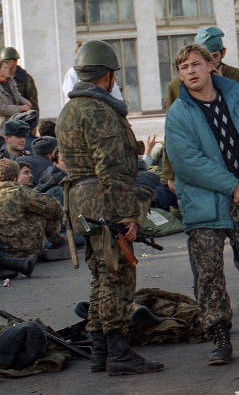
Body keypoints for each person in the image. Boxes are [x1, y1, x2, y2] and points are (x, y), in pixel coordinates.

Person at [164, 43, 239, 365]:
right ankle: (218, 333)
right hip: (204, 204)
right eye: (182, 68)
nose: (189, 72)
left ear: (210, 66)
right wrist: (231, 186)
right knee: (208, 273)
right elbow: (186, 161)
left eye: (194, 64)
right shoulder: (178, 113)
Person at [56, 40, 162, 376]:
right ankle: (118, 352)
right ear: (108, 76)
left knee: (101, 275)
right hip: (104, 204)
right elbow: (113, 170)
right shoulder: (99, 112)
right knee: (118, 273)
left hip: (82, 205)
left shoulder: (69, 110)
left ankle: (100, 348)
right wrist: (128, 215)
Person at [160, 25, 239, 302]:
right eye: (187, 65)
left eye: (214, 56)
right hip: (201, 181)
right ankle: (213, 316)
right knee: (205, 251)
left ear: (220, 55)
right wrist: (169, 172)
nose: (207, 64)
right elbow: (174, 135)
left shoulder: (237, 79)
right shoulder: (177, 87)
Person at [0, 158, 63, 258]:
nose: (31, 176)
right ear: (15, 178)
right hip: (23, 249)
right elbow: (55, 208)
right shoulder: (18, 191)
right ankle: (59, 243)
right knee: (45, 210)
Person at [0, 59, 32, 135]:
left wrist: (25, 102)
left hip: (12, 124)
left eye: (8, 67)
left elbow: (17, 96)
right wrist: (21, 108)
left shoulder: (11, 82)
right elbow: (0, 109)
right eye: (5, 68)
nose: (8, 70)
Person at [1, 47, 40, 117]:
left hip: (22, 120)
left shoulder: (25, 79)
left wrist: (33, 121)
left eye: (8, 61)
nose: (5, 64)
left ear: (14, 61)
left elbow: (33, 103)